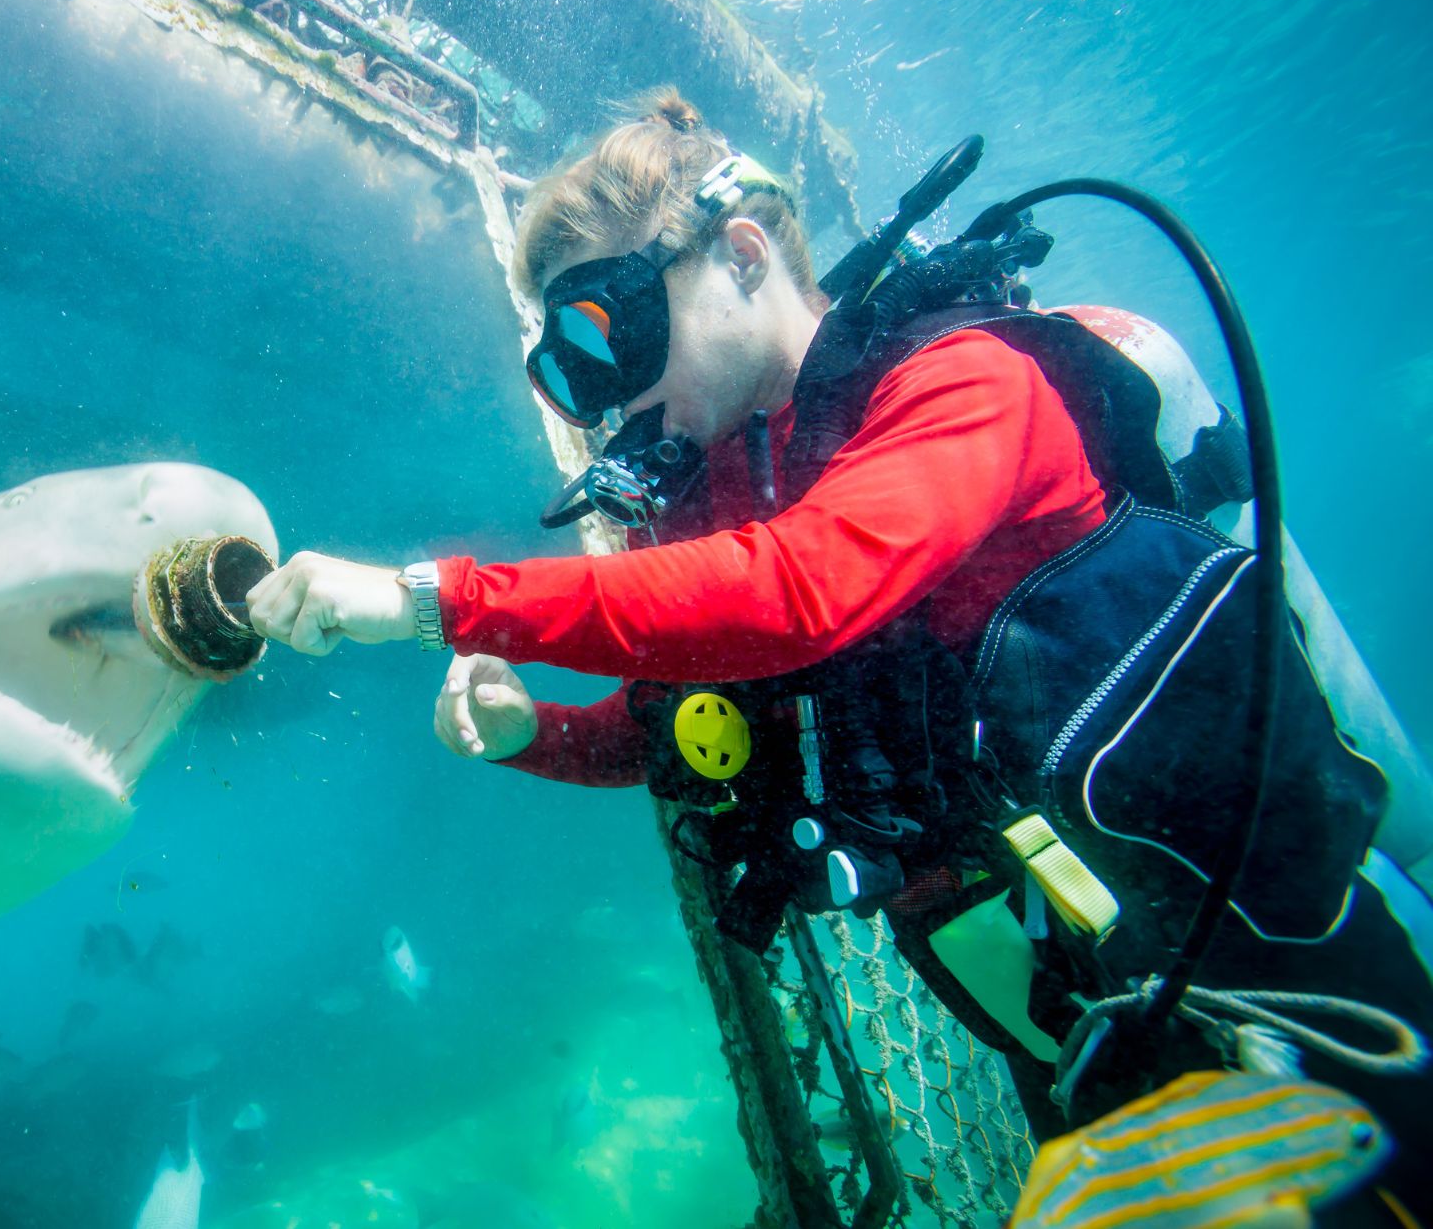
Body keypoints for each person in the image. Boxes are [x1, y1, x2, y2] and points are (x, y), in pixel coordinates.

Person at [245, 89, 1433, 1206]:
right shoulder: (716, 491)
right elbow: (692, 729)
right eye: (567, 365)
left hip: (1254, 960)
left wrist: (426, 597)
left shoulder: (966, 384)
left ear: (744, 256)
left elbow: (799, 590)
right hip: (1047, 1004)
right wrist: (531, 736)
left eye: (612, 331)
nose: (603, 398)